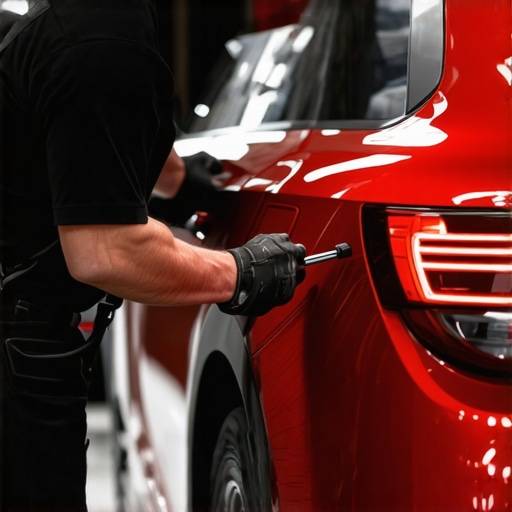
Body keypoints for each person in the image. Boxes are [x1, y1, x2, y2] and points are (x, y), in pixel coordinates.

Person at [0, 0, 306, 510]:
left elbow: (108, 142)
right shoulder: (103, 29)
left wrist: (193, 187)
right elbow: (105, 250)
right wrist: (240, 271)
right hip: (15, 347)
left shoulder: (68, 19)